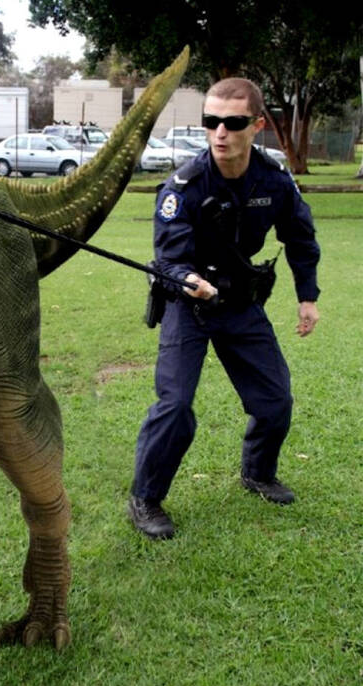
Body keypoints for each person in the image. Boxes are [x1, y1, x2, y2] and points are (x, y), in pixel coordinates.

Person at [128, 78, 321, 539]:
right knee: (175, 406)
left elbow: (300, 237)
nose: (220, 132)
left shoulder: (273, 180)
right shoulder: (184, 186)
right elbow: (168, 258)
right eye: (211, 121)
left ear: (257, 125)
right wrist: (188, 279)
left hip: (239, 303)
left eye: (233, 123)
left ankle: (258, 473)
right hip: (188, 305)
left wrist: (307, 297)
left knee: (275, 401)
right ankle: (145, 498)